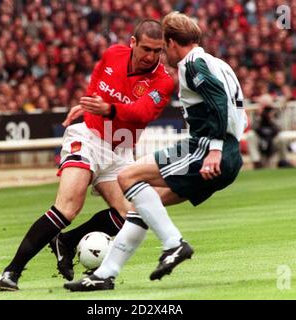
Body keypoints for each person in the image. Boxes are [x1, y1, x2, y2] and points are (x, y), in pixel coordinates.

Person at [64, 11, 248, 292]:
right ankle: (105, 274)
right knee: (143, 207)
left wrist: (214, 149)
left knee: (128, 176)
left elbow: (218, 102)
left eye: (163, 47)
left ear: (173, 42)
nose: (161, 56)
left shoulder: (191, 64)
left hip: (207, 147)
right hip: (229, 154)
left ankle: (174, 243)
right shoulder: (217, 63)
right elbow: (234, 108)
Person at [0, 19, 174, 291]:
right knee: (68, 207)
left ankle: (65, 241)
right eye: (146, 49)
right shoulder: (113, 54)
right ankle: (11, 272)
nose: (151, 56)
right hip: (88, 137)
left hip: (120, 150)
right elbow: (98, 85)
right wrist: (87, 106)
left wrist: (108, 109)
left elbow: (141, 113)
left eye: (157, 51)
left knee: (132, 216)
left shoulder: (162, 81)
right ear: (133, 43)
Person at [246, 94, 294, 169]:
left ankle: (283, 161)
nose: (266, 109)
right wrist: (259, 116)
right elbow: (253, 128)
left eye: (267, 105)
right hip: (260, 139)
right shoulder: (256, 113)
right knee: (250, 135)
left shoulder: (275, 112)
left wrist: (271, 118)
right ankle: (256, 162)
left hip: (272, 140)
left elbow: (280, 128)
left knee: (281, 138)